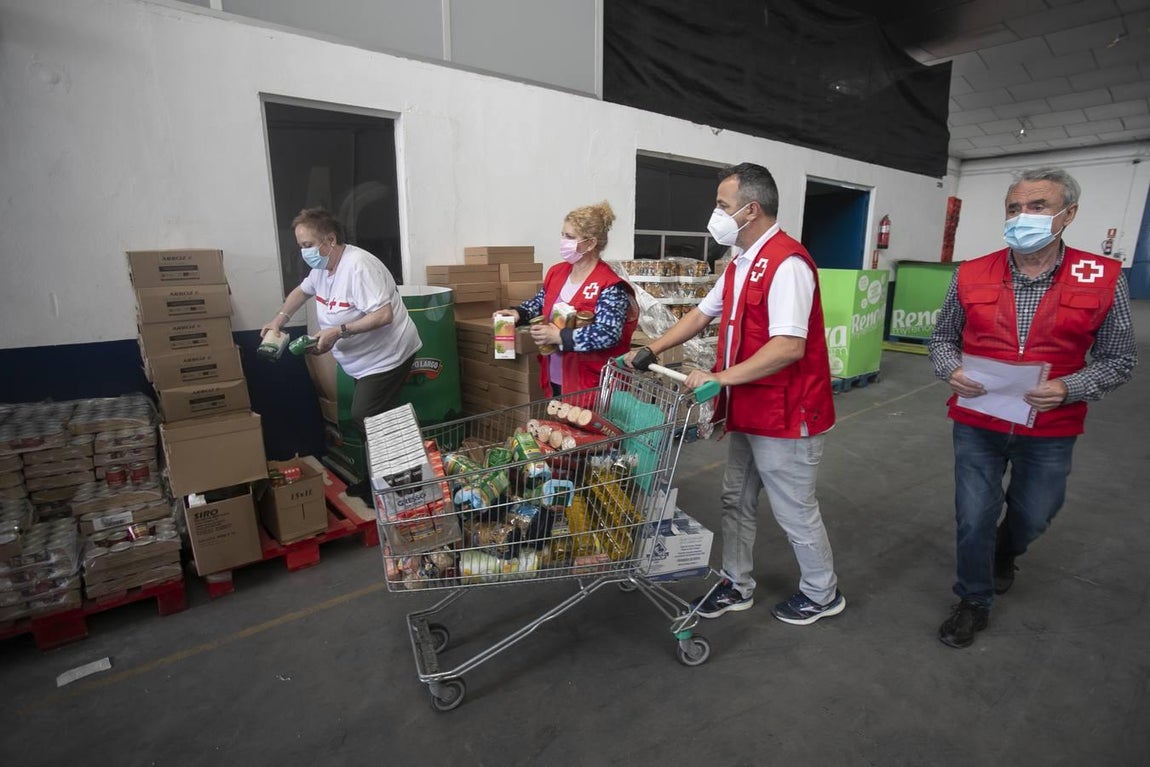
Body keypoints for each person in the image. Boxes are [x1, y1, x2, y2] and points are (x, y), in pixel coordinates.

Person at [626, 163, 844, 626]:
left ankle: (823, 593)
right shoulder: (741, 262)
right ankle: (736, 582)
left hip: (787, 415)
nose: (716, 214)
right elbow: (702, 315)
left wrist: (720, 379)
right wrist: (651, 349)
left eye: (723, 206)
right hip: (749, 409)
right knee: (735, 500)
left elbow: (788, 346)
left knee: (793, 510)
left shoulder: (787, 263)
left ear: (752, 209)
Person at [928, 167, 1137, 649]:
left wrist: (1070, 386)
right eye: (1014, 208)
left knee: (1036, 512)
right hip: (978, 419)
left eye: (1038, 207)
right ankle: (973, 599)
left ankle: (1006, 550)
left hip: (1051, 424)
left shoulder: (1102, 278)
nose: (1023, 217)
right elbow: (942, 339)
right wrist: (950, 369)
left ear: (1069, 214)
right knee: (973, 514)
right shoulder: (972, 272)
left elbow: (1120, 358)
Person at [262, 207, 422, 500]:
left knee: (367, 414)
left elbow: (384, 315)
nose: (304, 252)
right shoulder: (322, 269)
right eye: (300, 247)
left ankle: (407, 482)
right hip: (362, 360)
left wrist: (337, 332)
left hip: (389, 353)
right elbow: (301, 291)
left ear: (330, 240)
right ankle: (386, 481)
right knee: (372, 418)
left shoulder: (359, 267)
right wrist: (279, 319)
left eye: (308, 245)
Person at [501, 201, 638, 397]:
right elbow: (542, 301)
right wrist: (518, 313)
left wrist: (559, 337)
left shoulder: (609, 285)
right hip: (557, 376)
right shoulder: (557, 272)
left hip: (592, 383)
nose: (563, 241)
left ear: (590, 243)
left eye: (570, 237)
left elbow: (609, 333)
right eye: (563, 235)